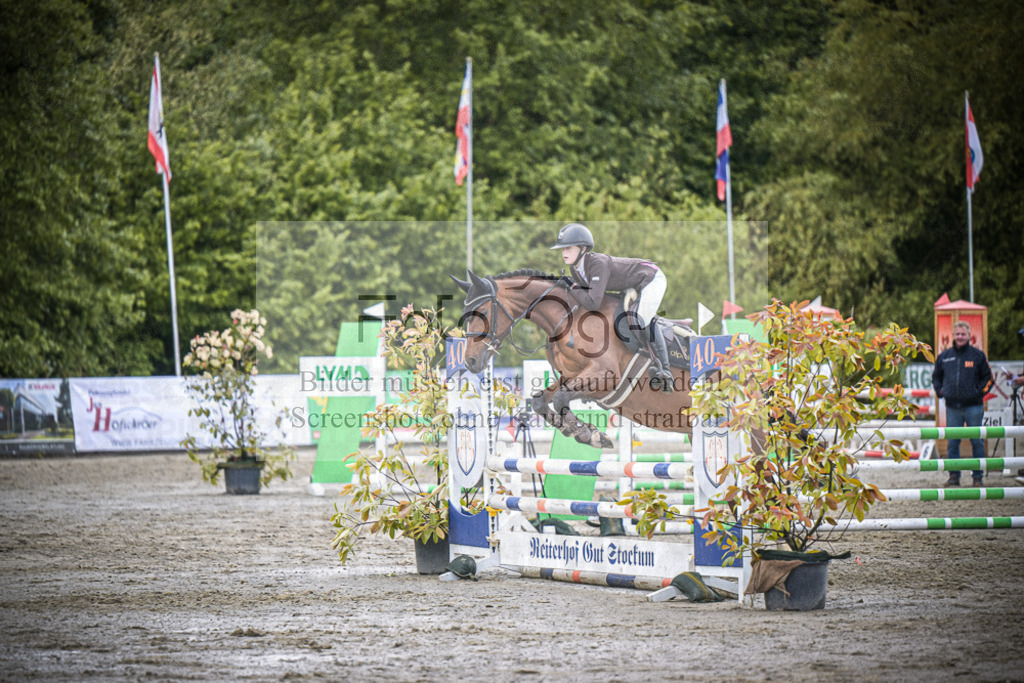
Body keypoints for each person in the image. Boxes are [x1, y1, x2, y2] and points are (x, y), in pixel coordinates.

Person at [551, 223, 674, 392]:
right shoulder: (575, 269)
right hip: (630, 286)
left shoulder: (597, 263)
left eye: (568, 248)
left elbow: (593, 302)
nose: (564, 253)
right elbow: (585, 298)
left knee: (642, 318)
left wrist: (571, 287)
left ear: (583, 248)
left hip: (650, 279)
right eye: (562, 249)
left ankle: (665, 371)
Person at [932, 321, 993, 487]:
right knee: (952, 443)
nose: (960, 337)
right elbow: (936, 377)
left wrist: (979, 393)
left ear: (969, 336)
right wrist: (940, 392)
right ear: (953, 335)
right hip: (952, 408)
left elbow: (988, 379)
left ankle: (978, 477)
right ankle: (954, 476)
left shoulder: (978, 356)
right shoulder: (944, 357)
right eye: (957, 334)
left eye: (963, 334)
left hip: (974, 407)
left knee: (977, 442)